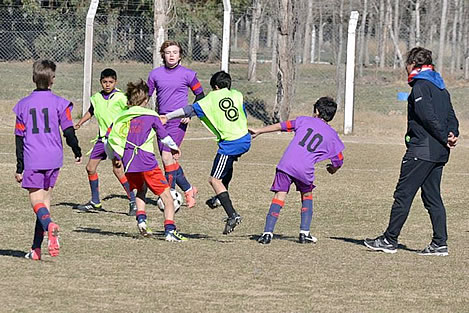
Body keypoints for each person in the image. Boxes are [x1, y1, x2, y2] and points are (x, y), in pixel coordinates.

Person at [364, 47, 459, 256]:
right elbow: (451, 116)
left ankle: (389, 240)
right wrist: (453, 134)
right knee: (432, 197)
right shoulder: (441, 87)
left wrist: (445, 135)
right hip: (439, 152)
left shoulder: (421, 86)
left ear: (413, 64)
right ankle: (439, 243)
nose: (405, 68)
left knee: (403, 195)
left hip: (422, 151)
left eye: (406, 64)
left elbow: (427, 117)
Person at [161, 71, 251, 234]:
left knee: (214, 179)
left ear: (214, 87)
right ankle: (219, 198)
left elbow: (188, 110)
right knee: (227, 167)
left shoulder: (209, 99)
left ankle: (232, 215)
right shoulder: (237, 94)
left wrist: (167, 117)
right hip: (245, 138)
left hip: (230, 143)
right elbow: (242, 113)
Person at [249, 97, 345, 245]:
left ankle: (267, 233)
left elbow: (283, 125)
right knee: (306, 195)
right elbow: (338, 159)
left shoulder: (304, 120)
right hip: (304, 169)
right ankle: (304, 233)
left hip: (286, 164)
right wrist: (333, 169)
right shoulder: (332, 136)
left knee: (279, 195)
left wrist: (259, 131)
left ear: (317, 111)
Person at [14, 60, 82, 260]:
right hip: (54, 159)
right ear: (53, 80)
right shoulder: (60, 103)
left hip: (33, 159)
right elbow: (68, 130)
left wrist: (20, 167)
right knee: (45, 204)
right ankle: (36, 250)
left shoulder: (23, 105)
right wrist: (76, 149)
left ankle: (50, 226)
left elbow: (19, 138)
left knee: (37, 202)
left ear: (34, 79)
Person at [106, 79, 187, 242]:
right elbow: (163, 136)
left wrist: (114, 156)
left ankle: (142, 221)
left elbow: (109, 137)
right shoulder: (151, 116)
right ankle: (170, 231)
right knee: (168, 198)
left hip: (129, 162)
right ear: (146, 100)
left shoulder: (122, 116)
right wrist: (174, 147)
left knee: (141, 190)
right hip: (146, 160)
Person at [147, 40, 205, 209]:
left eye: (175, 52)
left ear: (180, 55)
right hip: (160, 121)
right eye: (168, 52)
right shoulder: (154, 74)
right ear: (162, 55)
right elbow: (145, 96)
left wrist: (191, 113)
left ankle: (169, 195)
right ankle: (188, 189)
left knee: (166, 157)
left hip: (178, 122)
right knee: (170, 160)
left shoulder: (188, 74)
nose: (171, 55)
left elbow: (201, 96)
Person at [74, 68, 137, 216]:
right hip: (102, 139)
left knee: (117, 169)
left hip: (116, 140)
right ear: (100, 82)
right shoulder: (96, 98)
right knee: (90, 168)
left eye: (110, 82)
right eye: (104, 82)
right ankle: (95, 202)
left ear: (115, 82)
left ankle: (133, 201)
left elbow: (132, 112)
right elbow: (91, 111)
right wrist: (80, 123)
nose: (107, 84)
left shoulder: (121, 97)